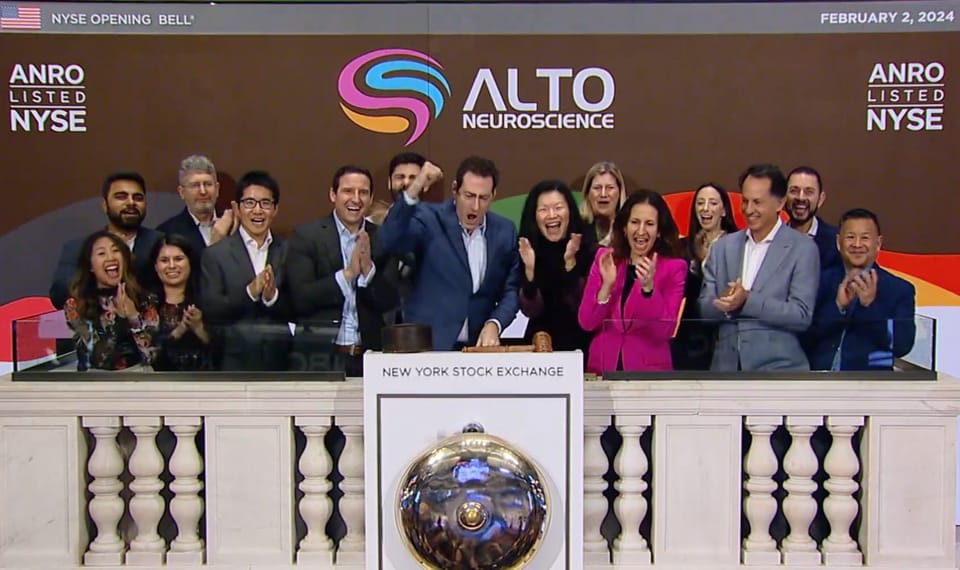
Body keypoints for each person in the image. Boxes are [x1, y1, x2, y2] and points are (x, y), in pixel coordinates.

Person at [378, 156, 520, 349]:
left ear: (493, 195)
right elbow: (390, 240)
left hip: (478, 351)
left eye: (484, 198)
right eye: (469, 196)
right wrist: (415, 187)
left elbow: (510, 290)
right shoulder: (428, 218)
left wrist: (495, 323)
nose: (476, 206)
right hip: (429, 349)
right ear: (455, 190)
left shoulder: (505, 231)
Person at [698, 164, 819, 371]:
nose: (748, 210)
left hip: (779, 372)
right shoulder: (722, 248)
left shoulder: (803, 248)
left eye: (757, 202)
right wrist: (724, 304)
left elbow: (801, 315)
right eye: (745, 201)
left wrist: (747, 300)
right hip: (725, 372)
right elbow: (704, 308)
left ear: (780, 202)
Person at [286, 165, 399, 375]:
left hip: (370, 360)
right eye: (348, 191)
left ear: (371, 198)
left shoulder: (382, 238)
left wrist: (368, 270)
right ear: (332, 194)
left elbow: (390, 301)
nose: (355, 199)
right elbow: (300, 298)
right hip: (319, 357)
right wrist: (347, 275)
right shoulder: (307, 236)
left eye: (363, 192)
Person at [578, 190, 687, 373]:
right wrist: (606, 286)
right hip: (602, 369)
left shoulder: (674, 268)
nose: (641, 231)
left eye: (650, 224)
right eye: (635, 222)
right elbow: (587, 322)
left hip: (648, 376)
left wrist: (648, 290)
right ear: (624, 226)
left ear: (659, 231)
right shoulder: (604, 259)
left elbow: (664, 331)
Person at [200, 170, 291, 371]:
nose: (257, 211)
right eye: (249, 203)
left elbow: (298, 306)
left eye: (265, 203)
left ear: (275, 209)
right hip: (232, 363)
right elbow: (211, 310)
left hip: (280, 363)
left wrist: (272, 296)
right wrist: (249, 292)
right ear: (237, 209)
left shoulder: (288, 251)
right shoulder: (215, 255)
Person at [807, 208, 916, 370]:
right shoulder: (819, 282)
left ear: (878, 243)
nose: (857, 244)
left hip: (870, 386)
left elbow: (902, 346)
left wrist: (870, 308)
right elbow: (805, 338)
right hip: (818, 382)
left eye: (865, 238)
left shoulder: (899, 290)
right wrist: (838, 308)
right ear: (838, 242)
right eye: (850, 237)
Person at [50, 172, 163, 309]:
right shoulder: (79, 247)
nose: (131, 202)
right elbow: (59, 295)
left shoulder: (161, 242)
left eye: (137, 198)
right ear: (104, 204)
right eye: (121, 197)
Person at [517, 180, 596, 353]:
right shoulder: (526, 248)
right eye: (543, 209)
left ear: (569, 211)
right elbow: (530, 311)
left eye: (558, 207)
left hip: (582, 346)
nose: (552, 215)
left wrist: (570, 263)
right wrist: (529, 271)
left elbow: (582, 306)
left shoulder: (587, 246)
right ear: (534, 216)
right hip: (540, 345)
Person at [63, 231, 158, 371]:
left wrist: (133, 317)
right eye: (101, 253)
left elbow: (151, 356)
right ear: (90, 266)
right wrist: (118, 320)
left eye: (115, 251)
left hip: (138, 379)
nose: (111, 257)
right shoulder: (76, 305)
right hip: (94, 382)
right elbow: (94, 358)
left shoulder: (144, 299)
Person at [672, 183, 740, 370]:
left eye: (712, 203)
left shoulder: (737, 245)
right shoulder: (683, 247)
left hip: (725, 335)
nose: (705, 208)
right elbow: (682, 294)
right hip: (690, 338)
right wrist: (698, 264)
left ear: (724, 210)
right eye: (700, 203)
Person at [146, 234, 212, 371]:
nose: (172, 266)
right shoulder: (146, 303)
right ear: (155, 266)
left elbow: (223, 353)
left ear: (190, 262)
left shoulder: (207, 299)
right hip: (158, 385)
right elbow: (146, 354)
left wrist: (199, 329)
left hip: (202, 385)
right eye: (164, 260)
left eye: (178, 259)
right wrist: (179, 331)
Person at [156, 155, 238, 262]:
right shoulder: (166, 232)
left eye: (208, 184)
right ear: (182, 192)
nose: (203, 191)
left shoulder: (234, 224)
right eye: (195, 185)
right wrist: (216, 242)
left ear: (217, 189)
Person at [786, 166, 841, 270]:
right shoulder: (772, 238)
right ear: (784, 196)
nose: (801, 198)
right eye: (794, 191)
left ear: (820, 199)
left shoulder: (836, 242)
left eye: (809, 192)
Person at [367, 152, 425, 225]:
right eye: (400, 177)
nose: (406, 182)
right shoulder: (370, 225)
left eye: (413, 178)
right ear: (389, 182)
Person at [579, 161, 627, 246]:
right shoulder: (577, 230)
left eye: (610, 188)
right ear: (587, 193)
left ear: (620, 193)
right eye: (597, 188)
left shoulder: (627, 230)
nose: (603, 194)